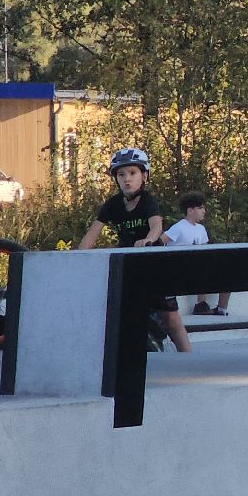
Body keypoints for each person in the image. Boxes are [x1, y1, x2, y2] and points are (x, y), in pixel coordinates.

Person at [78, 147, 190, 352]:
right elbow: (93, 232)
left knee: (171, 320)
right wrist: (78, 257)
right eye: (121, 175)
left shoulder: (148, 201)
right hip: (129, 266)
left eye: (132, 173)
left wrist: (148, 240)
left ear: (144, 176)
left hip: (155, 265)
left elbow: (156, 226)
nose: (126, 179)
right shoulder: (112, 204)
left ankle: (189, 359)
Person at [165, 193, 222, 315]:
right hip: (180, 267)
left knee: (226, 272)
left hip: (195, 266)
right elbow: (160, 242)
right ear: (190, 210)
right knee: (202, 268)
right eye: (200, 208)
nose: (204, 211)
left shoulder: (201, 229)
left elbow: (206, 252)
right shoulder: (179, 227)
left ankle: (221, 309)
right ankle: (201, 305)